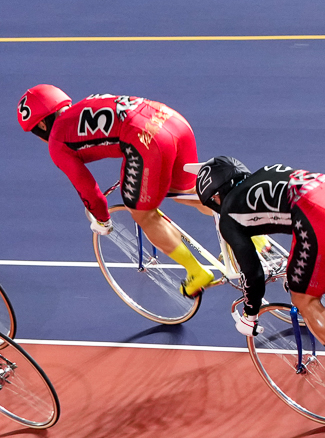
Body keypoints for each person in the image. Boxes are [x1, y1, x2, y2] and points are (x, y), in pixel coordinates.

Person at [198, 157, 325, 395]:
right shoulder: (264, 173)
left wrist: (250, 314)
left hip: (323, 217)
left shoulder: (230, 213)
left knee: (304, 299)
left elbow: (252, 274)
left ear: (215, 197)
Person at [17, 85, 220, 295]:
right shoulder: (86, 103)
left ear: (41, 124)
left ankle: (197, 272)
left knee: (143, 214)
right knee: (188, 192)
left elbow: (88, 190)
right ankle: (248, 233)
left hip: (147, 141)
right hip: (171, 119)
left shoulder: (57, 142)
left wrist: (102, 219)